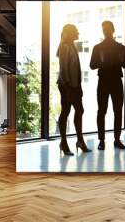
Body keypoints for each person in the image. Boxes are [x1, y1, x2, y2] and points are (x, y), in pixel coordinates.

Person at [90, 21, 125, 150]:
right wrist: (101, 62)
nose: (105, 31)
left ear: (113, 30)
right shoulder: (97, 47)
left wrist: (121, 59)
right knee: (102, 111)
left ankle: (117, 139)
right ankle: (101, 140)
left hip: (116, 81)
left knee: (117, 111)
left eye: (107, 29)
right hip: (104, 81)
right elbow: (91, 65)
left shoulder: (121, 47)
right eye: (103, 29)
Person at [56, 24, 91, 156]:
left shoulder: (71, 46)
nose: (78, 32)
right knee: (67, 111)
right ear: (70, 33)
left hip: (73, 85)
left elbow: (75, 70)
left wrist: (79, 87)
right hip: (67, 85)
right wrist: (69, 88)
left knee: (71, 111)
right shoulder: (65, 47)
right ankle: (67, 142)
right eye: (76, 31)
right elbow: (64, 70)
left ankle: (75, 141)